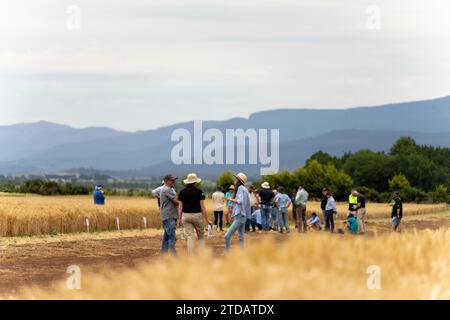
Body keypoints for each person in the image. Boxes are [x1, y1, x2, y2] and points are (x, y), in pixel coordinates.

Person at [177, 173, 212, 255]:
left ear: (187, 182)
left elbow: (180, 207)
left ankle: (191, 256)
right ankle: (202, 255)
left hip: (186, 216)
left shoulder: (182, 192)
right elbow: (203, 207)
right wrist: (207, 220)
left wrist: (179, 219)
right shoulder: (199, 192)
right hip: (197, 215)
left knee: (190, 236)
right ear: (195, 182)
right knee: (201, 237)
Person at [224, 173, 251, 250]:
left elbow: (240, 201)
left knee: (227, 236)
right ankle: (241, 254)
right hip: (242, 215)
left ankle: (227, 254)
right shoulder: (244, 189)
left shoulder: (241, 188)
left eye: (236, 178)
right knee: (241, 237)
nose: (235, 180)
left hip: (239, 216)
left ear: (239, 180)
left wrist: (230, 199)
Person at [160, 174, 180, 256]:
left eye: (174, 180)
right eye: (172, 180)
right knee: (172, 237)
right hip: (170, 216)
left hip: (167, 216)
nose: (174, 182)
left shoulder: (166, 189)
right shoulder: (167, 189)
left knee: (166, 238)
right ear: (166, 181)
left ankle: (164, 255)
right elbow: (176, 202)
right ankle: (174, 256)